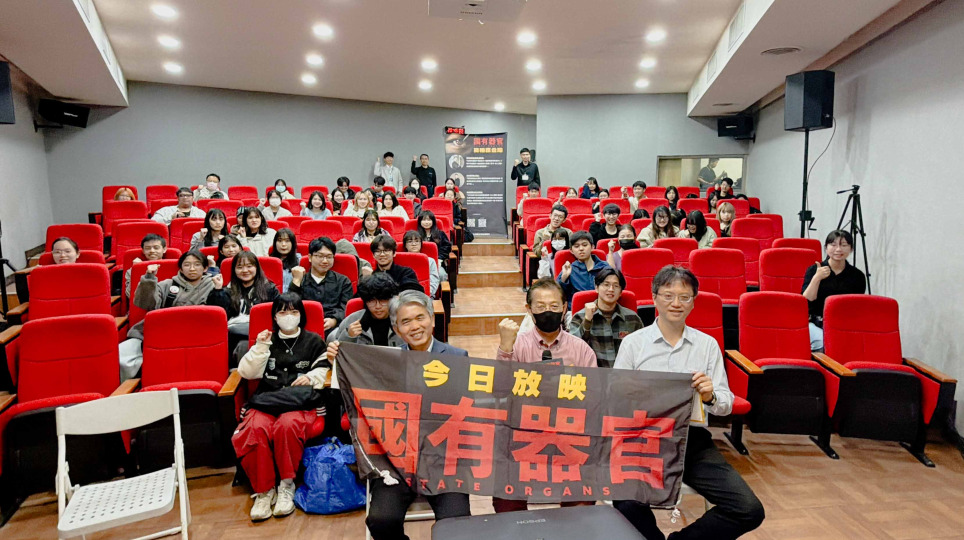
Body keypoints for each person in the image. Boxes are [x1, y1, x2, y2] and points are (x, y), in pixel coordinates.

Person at [614, 266, 764, 540]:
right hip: (643, 440)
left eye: (684, 297)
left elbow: (726, 403)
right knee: (625, 503)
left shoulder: (707, 345)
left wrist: (710, 396)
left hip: (691, 441)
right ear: (654, 298)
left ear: (694, 301)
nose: (676, 303)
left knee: (748, 509)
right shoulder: (634, 344)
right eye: (668, 295)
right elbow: (616, 399)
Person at [327, 289, 470, 540]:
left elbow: (469, 409)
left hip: (443, 462)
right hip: (396, 462)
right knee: (380, 520)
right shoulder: (386, 362)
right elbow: (357, 392)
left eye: (420, 318)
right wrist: (340, 361)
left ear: (432, 320)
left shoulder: (458, 357)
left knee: (457, 524)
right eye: (406, 321)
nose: (415, 326)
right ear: (396, 328)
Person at [492, 278, 596, 513]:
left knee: (583, 496)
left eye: (554, 306)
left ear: (564, 308)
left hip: (568, 436)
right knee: (506, 494)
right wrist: (505, 348)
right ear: (529, 310)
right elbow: (499, 390)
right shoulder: (516, 345)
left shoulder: (581, 350)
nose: (548, 311)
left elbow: (593, 399)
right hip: (524, 434)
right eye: (540, 306)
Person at [234, 292, 330, 522]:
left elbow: (325, 369)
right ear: (275, 317)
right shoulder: (266, 340)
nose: (288, 316)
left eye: (294, 312)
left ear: (301, 315)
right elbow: (247, 372)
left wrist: (311, 377)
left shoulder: (314, 341)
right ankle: (264, 491)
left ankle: (286, 485)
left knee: (287, 425)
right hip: (266, 400)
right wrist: (261, 346)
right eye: (283, 312)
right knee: (255, 428)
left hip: (298, 402)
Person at [119, 250, 215, 381]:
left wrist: (219, 289)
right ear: (180, 269)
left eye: (197, 264)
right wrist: (149, 279)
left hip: (195, 337)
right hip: (158, 334)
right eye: (187, 265)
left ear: (205, 268)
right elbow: (146, 304)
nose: (192, 268)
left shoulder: (213, 284)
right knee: (120, 355)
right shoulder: (167, 284)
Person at [208, 250, 281, 358]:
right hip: (234, 337)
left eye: (249, 266)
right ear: (234, 270)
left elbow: (278, 313)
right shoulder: (227, 290)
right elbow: (217, 319)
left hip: (264, 335)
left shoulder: (269, 289)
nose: (245, 270)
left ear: (256, 268)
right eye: (240, 267)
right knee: (243, 346)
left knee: (245, 346)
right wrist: (218, 290)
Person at [802, 230, 866, 351]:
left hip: (843, 324)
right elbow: (807, 299)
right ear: (826, 248)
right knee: (823, 342)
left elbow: (856, 307)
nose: (838, 249)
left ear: (851, 249)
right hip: (815, 322)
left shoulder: (857, 276)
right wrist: (817, 278)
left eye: (844, 245)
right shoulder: (814, 270)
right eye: (833, 245)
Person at [569, 268, 644, 368]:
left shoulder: (633, 319)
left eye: (616, 286)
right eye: (606, 284)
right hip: (593, 374)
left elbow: (642, 350)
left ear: (620, 292)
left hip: (624, 374)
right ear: (596, 287)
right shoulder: (581, 317)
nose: (611, 289)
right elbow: (572, 350)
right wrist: (587, 321)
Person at [289, 236, 353, 335]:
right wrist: (296, 281)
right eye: (320, 256)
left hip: (334, 328)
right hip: (304, 327)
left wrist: (334, 320)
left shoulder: (343, 281)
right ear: (310, 257)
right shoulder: (300, 280)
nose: (325, 261)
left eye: (329, 257)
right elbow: (291, 305)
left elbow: (346, 306)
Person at [329, 273, 402, 346]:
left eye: (383, 300)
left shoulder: (402, 319)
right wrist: (349, 336)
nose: (378, 306)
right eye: (371, 301)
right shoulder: (352, 320)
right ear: (365, 301)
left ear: (392, 299)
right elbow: (336, 348)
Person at [558, 231, 611, 303]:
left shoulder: (604, 267)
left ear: (592, 247)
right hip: (577, 308)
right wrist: (564, 278)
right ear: (571, 250)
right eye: (576, 246)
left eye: (585, 245)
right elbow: (558, 294)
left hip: (602, 306)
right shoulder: (569, 269)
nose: (581, 249)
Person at [125, 233, 168, 299]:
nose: (152, 251)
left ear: (164, 249)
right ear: (143, 251)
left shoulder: (173, 267)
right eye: (147, 248)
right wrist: (137, 271)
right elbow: (130, 295)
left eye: (156, 248)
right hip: (142, 302)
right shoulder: (132, 270)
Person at [402, 231, 440, 296]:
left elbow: (434, 281)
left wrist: (423, 294)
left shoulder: (430, 261)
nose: (414, 244)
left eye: (417, 241)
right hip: (404, 296)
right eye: (410, 241)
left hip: (425, 295)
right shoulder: (400, 261)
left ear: (421, 244)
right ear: (405, 245)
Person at [270, 228, 301, 293]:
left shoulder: (300, 261)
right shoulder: (269, 261)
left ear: (293, 243)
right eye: (280, 240)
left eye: (287, 241)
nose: (283, 244)